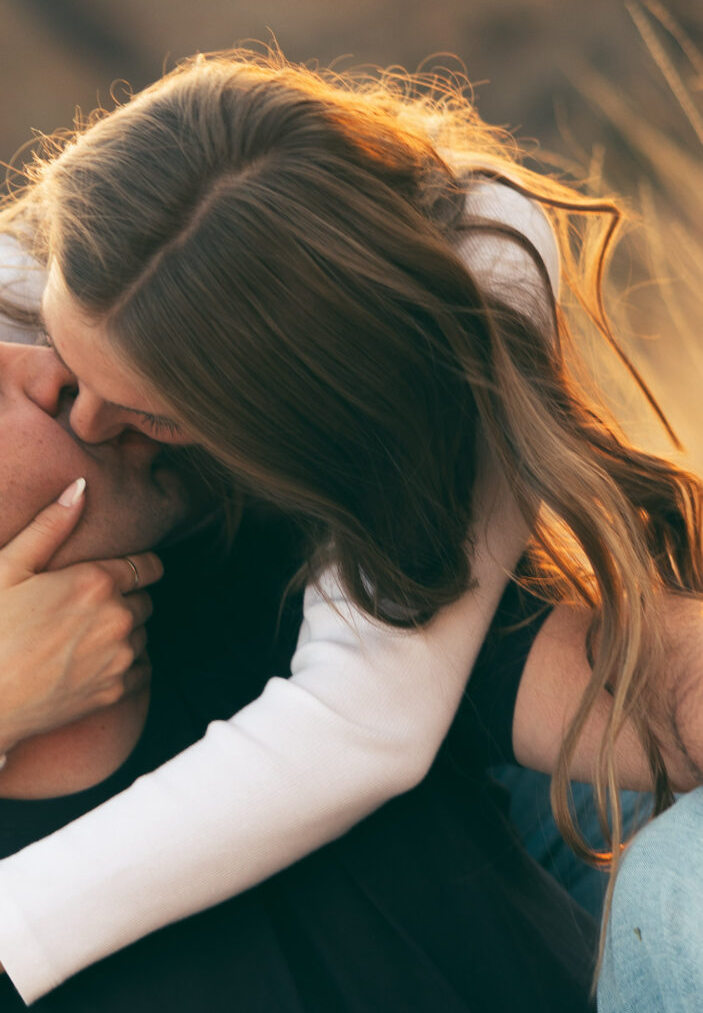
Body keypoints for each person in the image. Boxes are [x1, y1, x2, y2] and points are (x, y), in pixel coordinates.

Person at [0, 49, 700, 1005]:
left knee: (682, 880)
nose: (49, 378)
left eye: (158, 406)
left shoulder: (262, 551)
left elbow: (576, 681)